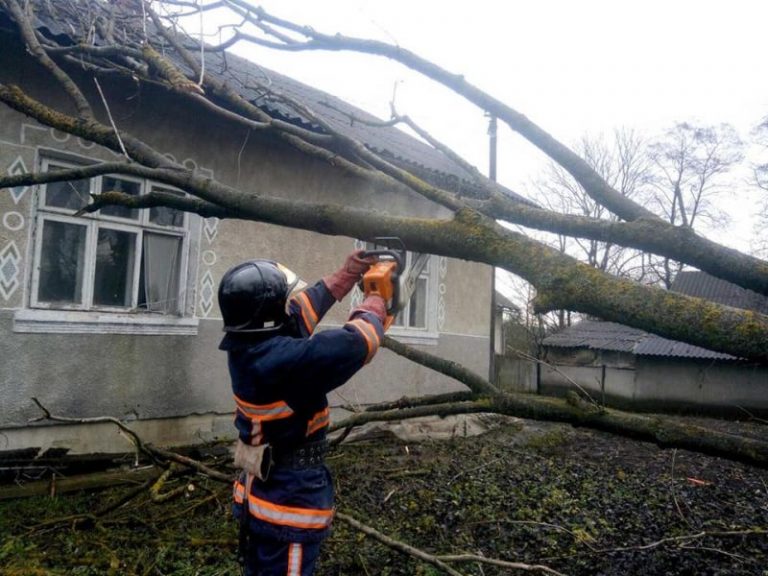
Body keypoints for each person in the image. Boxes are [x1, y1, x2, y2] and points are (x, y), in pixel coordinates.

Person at [218, 251, 387, 576]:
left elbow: (297, 315)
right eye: (282, 302)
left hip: (265, 494)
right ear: (268, 315)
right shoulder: (281, 362)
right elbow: (355, 344)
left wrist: (345, 275)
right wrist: (376, 301)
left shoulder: (249, 346)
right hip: (287, 502)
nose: (289, 306)